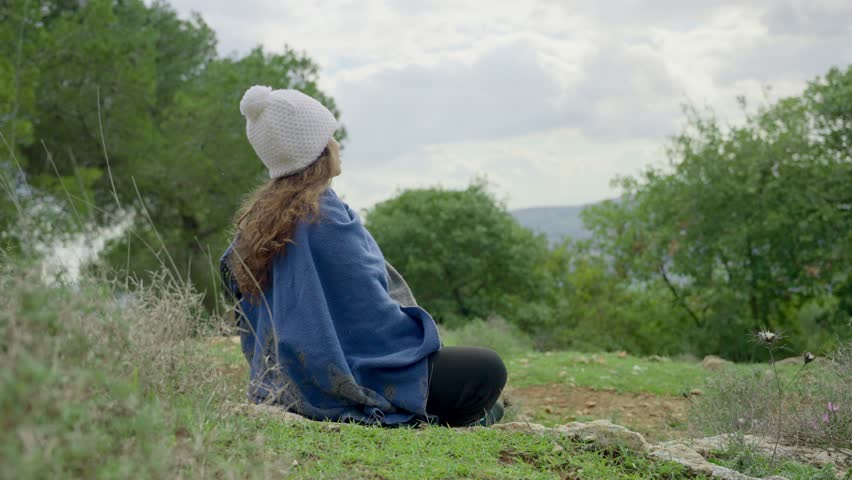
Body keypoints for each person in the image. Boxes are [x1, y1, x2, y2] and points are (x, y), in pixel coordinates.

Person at [219, 85, 506, 427]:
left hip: (286, 383)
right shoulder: (326, 216)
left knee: (484, 397)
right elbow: (372, 317)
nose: (337, 143)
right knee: (486, 370)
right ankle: (435, 419)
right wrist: (419, 342)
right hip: (353, 376)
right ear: (317, 148)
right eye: (331, 136)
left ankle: (470, 416)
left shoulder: (256, 225)